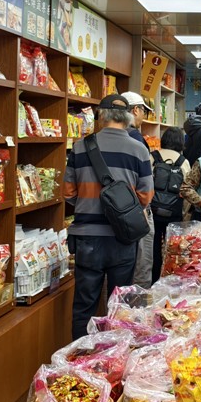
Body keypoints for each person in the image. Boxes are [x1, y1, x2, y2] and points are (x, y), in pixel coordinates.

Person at [64, 93, 153, 340]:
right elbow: (145, 197)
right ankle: (113, 360)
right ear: (128, 118)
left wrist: (87, 205)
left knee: (84, 304)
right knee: (119, 304)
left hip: (86, 238)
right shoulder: (139, 149)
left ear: (100, 116)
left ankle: (79, 359)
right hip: (122, 237)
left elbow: (68, 192)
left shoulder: (81, 146)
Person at [121, 91, 155, 288]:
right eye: (144, 111)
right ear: (135, 110)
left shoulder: (97, 140)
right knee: (141, 267)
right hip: (137, 212)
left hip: (114, 213)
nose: (144, 116)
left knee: (121, 271)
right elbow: (146, 183)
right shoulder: (137, 140)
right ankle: (137, 314)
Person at [151, 127, 192, 283]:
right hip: (174, 213)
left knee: (154, 249)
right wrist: (184, 213)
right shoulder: (183, 162)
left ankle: (154, 279)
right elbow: (187, 191)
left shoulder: (153, 157)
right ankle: (170, 280)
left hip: (153, 211)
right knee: (173, 250)